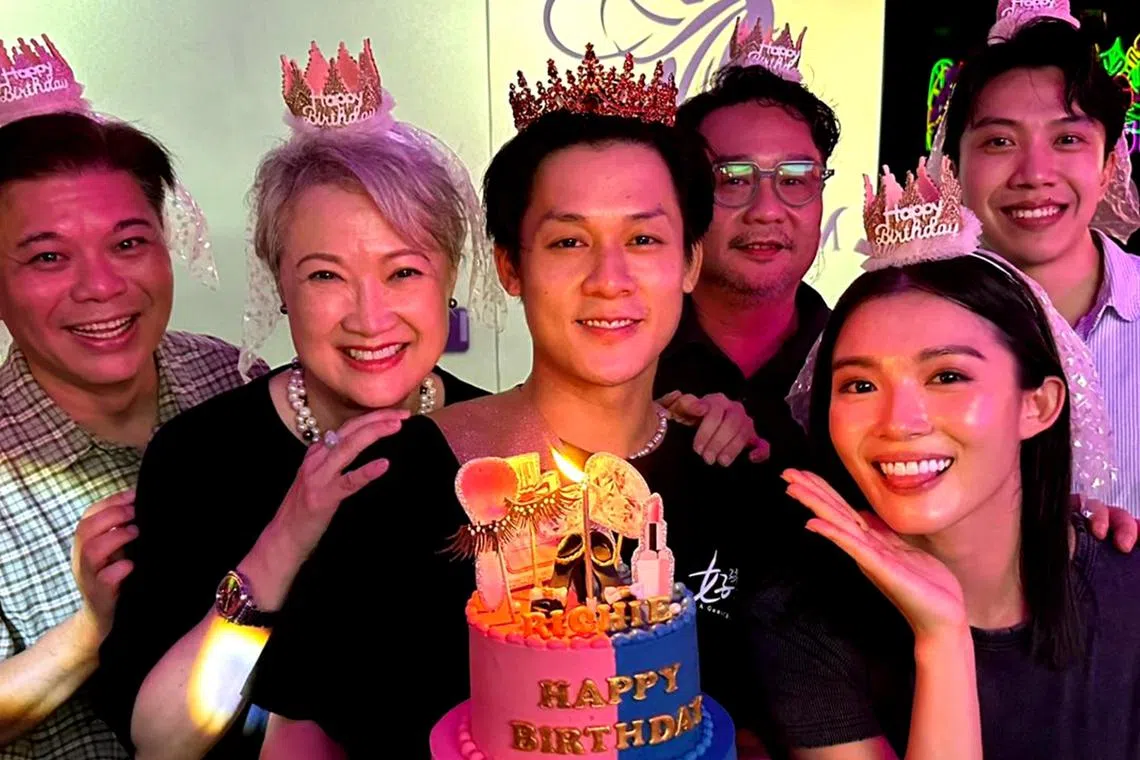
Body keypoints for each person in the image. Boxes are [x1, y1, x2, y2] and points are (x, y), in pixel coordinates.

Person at [93, 40, 759, 760]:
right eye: (325, 276)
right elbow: (188, 737)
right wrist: (286, 537)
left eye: (403, 271)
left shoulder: (716, 464)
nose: (370, 315)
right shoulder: (337, 470)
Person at [749, 160, 1139, 759]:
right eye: (859, 386)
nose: (899, 422)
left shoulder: (1127, 588)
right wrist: (942, 640)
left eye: (948, 376)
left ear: (1038, 405)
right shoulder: (803, 620)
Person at [0, 36, 254, 759]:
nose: (102, 287)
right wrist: (90, 628)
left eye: (128, 243)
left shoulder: (234, 380)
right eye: (48, 257)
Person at [939, 15, 1140, 513]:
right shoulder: (907, 321)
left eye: (1067, 140)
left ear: (1109, 164)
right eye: (999, 142)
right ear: (954, 166)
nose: (1034, 175)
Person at [657, 18, 839, 465]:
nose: (767, 210)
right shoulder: (632, 355)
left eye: (796, 179)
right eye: (733, 179)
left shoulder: (860, 357)